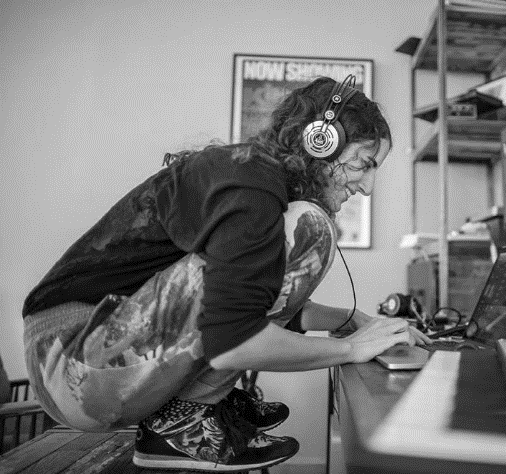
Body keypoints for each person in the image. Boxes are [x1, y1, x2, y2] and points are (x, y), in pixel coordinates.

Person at [22, 75, 431, 471]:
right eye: (363, 164)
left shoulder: (253, 179)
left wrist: (352, 320)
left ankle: (188, 409)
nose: (368, 187)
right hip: (70, 360)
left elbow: (256, 300)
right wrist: (353, 349)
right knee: (310, 226)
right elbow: (234, 341)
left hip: (81, 362)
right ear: (319, 142)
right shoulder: (251, 185)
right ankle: (183, 421)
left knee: (274, 254)